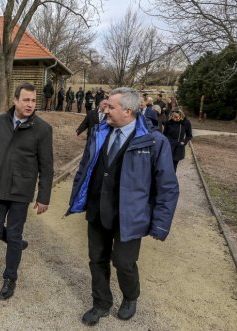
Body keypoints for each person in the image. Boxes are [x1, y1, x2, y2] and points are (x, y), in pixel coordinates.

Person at [67, 87, 179, 326]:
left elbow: (167, 186)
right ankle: (101, 303)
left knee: (123, 262)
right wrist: (78, 197)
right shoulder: (98, 133)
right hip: (98, 209)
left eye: (110, 107)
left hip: (130, 215)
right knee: (97, 258)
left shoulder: (154, 142)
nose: (104, 109)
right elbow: (84, 169)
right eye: (105, 105)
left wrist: (160, 222)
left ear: (128, 111)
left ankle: (130, 296)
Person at [0, 82, 54, 300]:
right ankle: (17, 243)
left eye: (33, 100)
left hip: (22, 190)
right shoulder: (0, 121)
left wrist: (43, 196)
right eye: (26, 100)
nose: (31, 104)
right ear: (15, 100)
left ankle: (10, 278)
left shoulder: (43, 129)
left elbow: (47, 167)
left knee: (15, 232)